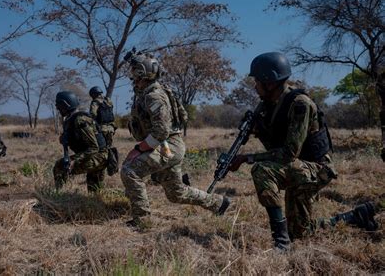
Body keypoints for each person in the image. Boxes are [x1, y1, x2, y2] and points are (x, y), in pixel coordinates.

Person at [227, 52, 378, 250]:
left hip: (317, 169)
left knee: (261, 170)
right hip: (298, 168)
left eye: (257, 81)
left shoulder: (300, 104)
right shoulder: (268, 105)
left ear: (270, 83)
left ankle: (281, 242)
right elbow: (277, 149)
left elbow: (289, 153)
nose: (255, 86)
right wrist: (260, 131)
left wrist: (247, 158)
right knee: (300, 233)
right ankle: (355, 217)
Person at [120, 51, 230, 228]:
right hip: (165, 146)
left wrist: (139, 149)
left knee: (130, 170)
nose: (132, 76)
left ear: (142, 72)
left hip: (168, 146)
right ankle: (219, 203)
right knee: (175, 193)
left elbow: (161, 132)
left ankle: (142, 220)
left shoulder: (153, 95)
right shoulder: (145, 92)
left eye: (134, 71)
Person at [53, 91, 110, 192]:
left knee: (60, 166)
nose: (58, 108)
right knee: (94, 190)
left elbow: (93, 147)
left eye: (60, 105)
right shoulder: (72, 119)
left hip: (99, 156)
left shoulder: (80, 120)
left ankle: (59, 195)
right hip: (98, 156)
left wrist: (75, 160)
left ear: (66, 105)